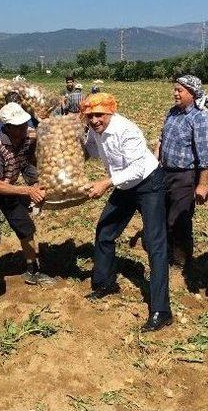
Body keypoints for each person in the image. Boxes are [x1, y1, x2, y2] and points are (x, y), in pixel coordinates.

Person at [82, 93, 172, 332]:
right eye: (90, 116)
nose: (94, 120)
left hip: (148, 183)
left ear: (110, 112)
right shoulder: (94, 130)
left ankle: (162, 311)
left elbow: (137, 169)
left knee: (155, 244)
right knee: (105, 231)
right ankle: (105, 284)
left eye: (99, 115)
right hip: (124, 185)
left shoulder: (127, 130)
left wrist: (106, 183)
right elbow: (90, 150)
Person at [0, 102, 53, 319]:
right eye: (18, 125)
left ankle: (32, 271)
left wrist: (39, 184)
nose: (23, 128)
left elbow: (26, 166)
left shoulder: (26, 139)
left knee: (27, 229)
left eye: (24, 123)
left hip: (10, 188)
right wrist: (27, 191)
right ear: (6, 126)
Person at [158, 75, 208, 268]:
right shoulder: (173, 112)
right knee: (163, 215)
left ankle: (182, 260)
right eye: (175, 89)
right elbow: (161, 139)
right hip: (164, 172)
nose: (175, 93)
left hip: (185, 176)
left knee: (179, 219)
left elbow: (206, 155)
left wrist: (202, 185)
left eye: (179, 90)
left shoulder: (200, 117)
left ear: (192, 93)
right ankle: (166, 254)